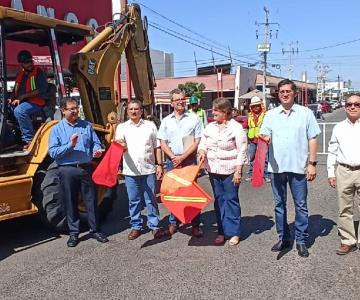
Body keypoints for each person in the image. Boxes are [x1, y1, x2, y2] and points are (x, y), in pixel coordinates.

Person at [260, 79, 321, 258]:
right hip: (276, 168)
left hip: (298, 168)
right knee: (279, 205)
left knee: (301, 205)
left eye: (288, 91)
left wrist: (312, 163)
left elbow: (313, 139)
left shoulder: (305, 113)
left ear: (294, 93)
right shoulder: (270, 115)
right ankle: (284, 238)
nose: (285, 94)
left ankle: (301, 240)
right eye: (281, 91)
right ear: (277, 94)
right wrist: (264, 137)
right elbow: (264, 135)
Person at [48, 97, 108, 247]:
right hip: (67, 170)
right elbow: (53, 152)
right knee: (70, 201)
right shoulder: (56, 129)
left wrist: (96, 151)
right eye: (71, 109)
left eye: (76, 108)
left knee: (91, 200)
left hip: (85, 168)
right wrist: (70, 145)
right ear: (63, 111)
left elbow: (95, 142)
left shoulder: (86, 126)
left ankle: (95, 230)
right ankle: (74, 233)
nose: (75, 111)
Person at [198, 98, 247, 246]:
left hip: (230, 170)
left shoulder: (236, 128)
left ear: (225, 112)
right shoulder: (210, 127)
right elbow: (203, 143)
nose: (212, 113)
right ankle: (221, 231)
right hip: (213, 170)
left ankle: (233, 232)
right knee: (219, 201)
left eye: (215, 111)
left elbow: (242, 150)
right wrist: (201, 151)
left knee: (231, 199)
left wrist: (238, 171)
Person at [115, 100, 166, 240]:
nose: (133, 111)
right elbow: (117, 147)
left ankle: (154, 226)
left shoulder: (150, 126)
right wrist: (120, 146)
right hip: (130, 171)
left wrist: (160, 165)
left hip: (148, 169)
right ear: (127, 111)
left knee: (151, 200)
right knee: (133, 200)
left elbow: (157, 147)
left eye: (136, 109)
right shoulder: (122, 127)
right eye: (130, 109)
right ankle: (136, 226)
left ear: (141, 111)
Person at [157, 88, 203, 237]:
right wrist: (172, 157)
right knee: (174, 193)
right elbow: (162, 142)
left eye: (183, 99)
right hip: (172, 161)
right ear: (172, 103)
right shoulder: (166, 121)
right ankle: (173, 223)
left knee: (191, 192)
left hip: (189, 160)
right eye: (178, 100)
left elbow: (197, 141)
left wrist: (182, 157)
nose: (181, 102)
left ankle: (195, 225)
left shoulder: (194, 118)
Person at [327, 93, 360, 255]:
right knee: (344, 209)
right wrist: (330, 173)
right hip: (344, 171)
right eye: (349, 104)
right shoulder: (339, 127)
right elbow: (332, 151)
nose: (353, 107)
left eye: (357, 104)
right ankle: (348, 240)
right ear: (345, 107)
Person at [8, 50, 49, 149]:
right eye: (27, 62)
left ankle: (30, 140)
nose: (30, 64)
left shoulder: (38, 73)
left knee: (19, 111)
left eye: (31, 61)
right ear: (21, 64)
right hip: (23, 102)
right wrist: (11, 99)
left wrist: (22, 97)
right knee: (4, 109)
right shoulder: (19, 75)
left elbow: (41, 89)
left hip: (36, 102)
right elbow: (15, 90)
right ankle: (10, 138)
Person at [243, 96, 270, 183]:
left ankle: (266, 175)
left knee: (265, 158)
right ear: (251, 107)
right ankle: (251, 174)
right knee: (252, 157)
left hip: (263, 140)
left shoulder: (266, 115)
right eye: (254, 106)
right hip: (252, 140)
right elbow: (244, 126)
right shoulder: (249, 116)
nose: (256, 107)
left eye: (257, 105)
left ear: (261, 105)